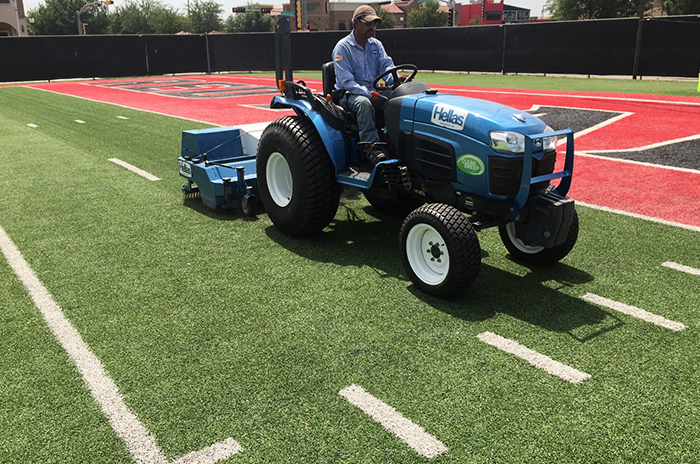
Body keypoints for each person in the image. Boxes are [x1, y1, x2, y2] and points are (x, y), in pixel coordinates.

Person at [332, 5, 397, 165]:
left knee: (397, 99)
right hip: (348, 95)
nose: (372, 27)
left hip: (373, 91)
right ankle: (371, 148)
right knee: (364, 104)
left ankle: (395, 140)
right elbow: (347, 82)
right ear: (356, 22)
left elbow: (386, 67)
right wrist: (368, 94)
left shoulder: (376, 45)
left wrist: (395, 81)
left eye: (374, 24)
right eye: (368, 23)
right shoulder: (343, 48)